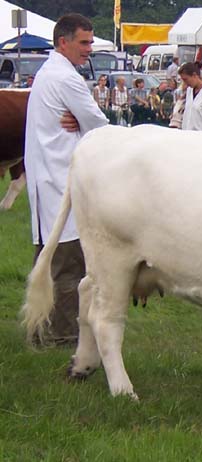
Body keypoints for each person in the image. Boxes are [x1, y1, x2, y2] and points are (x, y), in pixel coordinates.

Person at [24, 13, 109, 346]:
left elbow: (87, 122)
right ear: (64, 41)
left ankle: (39, 332)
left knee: (46, 263)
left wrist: (81, 120)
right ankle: (63, 337)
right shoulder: (67, 79)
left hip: (47, 180)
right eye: (84, 42)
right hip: (62, 184)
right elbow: (100, 126)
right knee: (68, 268)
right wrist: (84, 120)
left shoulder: (48, 73)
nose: (88, 49)